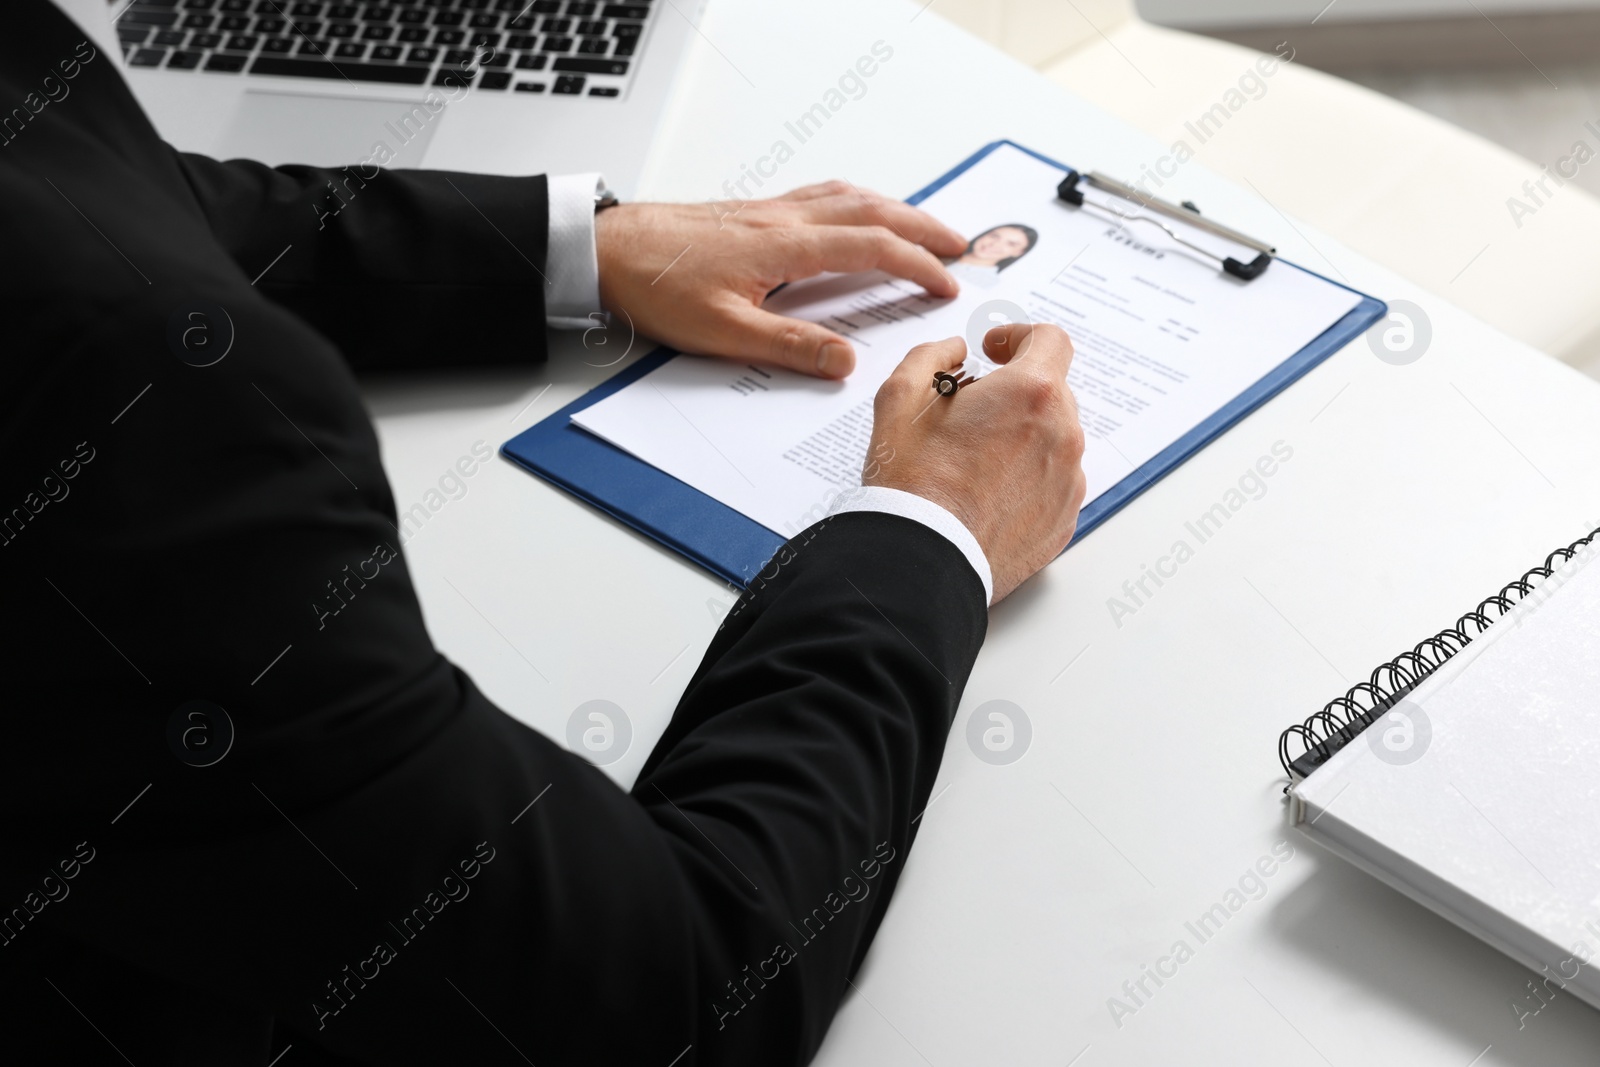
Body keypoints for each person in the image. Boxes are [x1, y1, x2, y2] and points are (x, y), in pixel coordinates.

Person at [0, 2, 1087, 1063]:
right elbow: (683, 995)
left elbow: (91, 183)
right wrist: (930, 526)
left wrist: (574, 248)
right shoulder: (130, 418)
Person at [949, 223, 1040, 285]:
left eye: (1011, 244)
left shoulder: (986, 283)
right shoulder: (946, 252)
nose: (995, 244)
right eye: (994, 236)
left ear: (1018, 252)